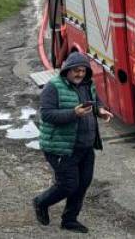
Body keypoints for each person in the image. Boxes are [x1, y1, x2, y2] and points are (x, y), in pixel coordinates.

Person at [33, 51, 112, 233]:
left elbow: (96, 102)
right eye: (76, 71)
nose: (80, 74)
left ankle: (69, 220)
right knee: (68, 184)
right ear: (67, 70)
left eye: (83, 71)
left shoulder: (88, 84)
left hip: (85, 146)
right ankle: (40, 202)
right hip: (62, 148)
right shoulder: (53, 87)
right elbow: (47, 114)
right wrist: (73, 113)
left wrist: (100, 111)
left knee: (83, 183)